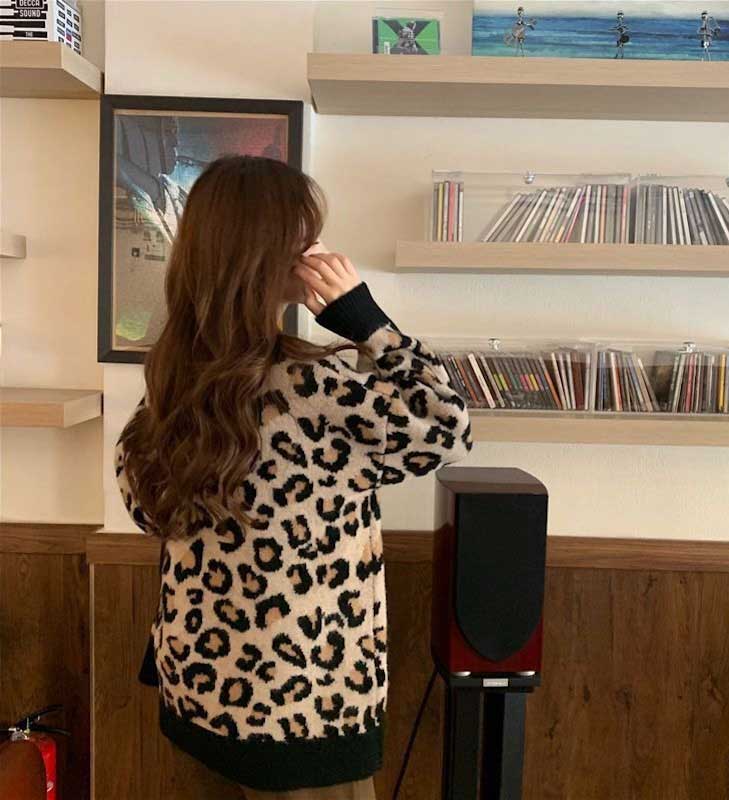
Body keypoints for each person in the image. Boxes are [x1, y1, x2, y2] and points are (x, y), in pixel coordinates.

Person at [115, 155, 473, 799]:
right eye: (305, 236)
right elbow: (446, 427)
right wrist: (364, 319)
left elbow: (144, 510)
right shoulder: (311, 387)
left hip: (203, 683)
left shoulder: (173, 378)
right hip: (305, 702)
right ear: (270, 256)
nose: (318, 249)